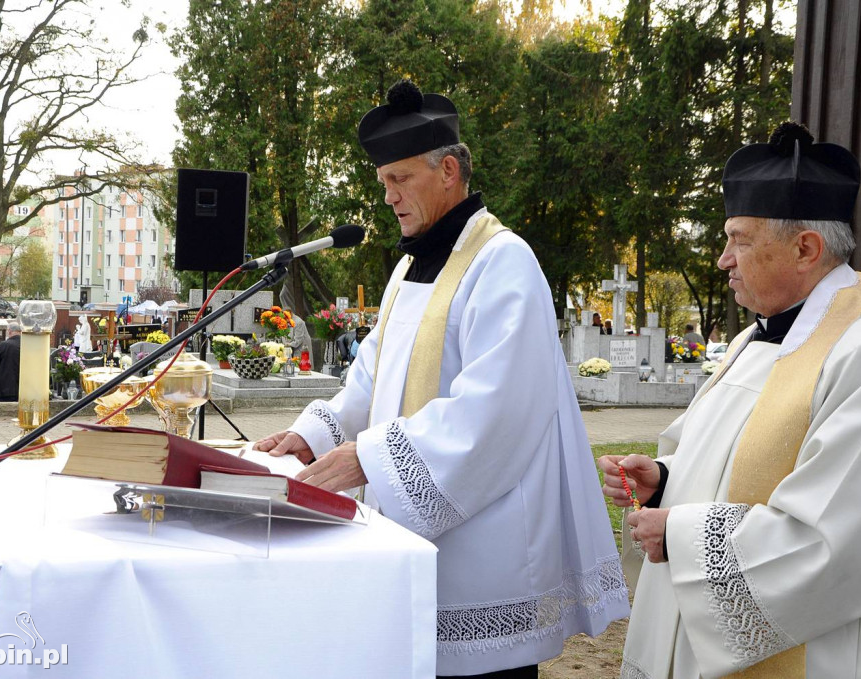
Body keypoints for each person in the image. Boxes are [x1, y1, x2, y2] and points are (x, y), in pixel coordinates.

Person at [254, 79, 627, 678]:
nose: (388, 197)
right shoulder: (409, 265)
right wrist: (316, 435)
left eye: (400, 179)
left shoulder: (503, 261)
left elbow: (496, 411)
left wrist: (370, 459)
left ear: (448, 170)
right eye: (384, 183)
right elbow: (372, 373)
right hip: (410, 539)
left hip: (486, 553)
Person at [599, 122, 861, 679]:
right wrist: (665, 477)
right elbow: (735, 458)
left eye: (739, 241)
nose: (724, 259)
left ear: (805, 248)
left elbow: (835, 540)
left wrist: (679, 532)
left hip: (821, 655)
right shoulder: (757, 338)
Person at [0, 322, 22, 402]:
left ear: (9, 331)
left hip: (3, 390)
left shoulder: (2, 346)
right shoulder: (28, 346)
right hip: (24, 391)